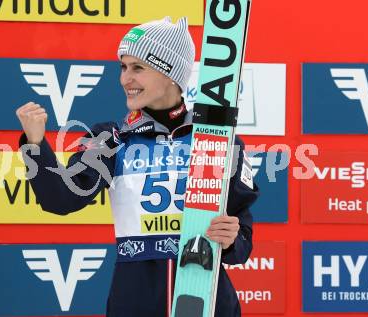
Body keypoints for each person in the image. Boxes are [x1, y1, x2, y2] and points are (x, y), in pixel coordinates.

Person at [16, 16, 259, 317]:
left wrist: (233, 238)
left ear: (170, 73)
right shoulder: (109, 138)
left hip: (207, 302)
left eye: (138, 68)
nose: (124, 79)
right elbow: (60, 199)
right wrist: (34, 145)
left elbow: (243, 238)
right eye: (123, 67)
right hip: (135, 304)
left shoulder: (217, 140)